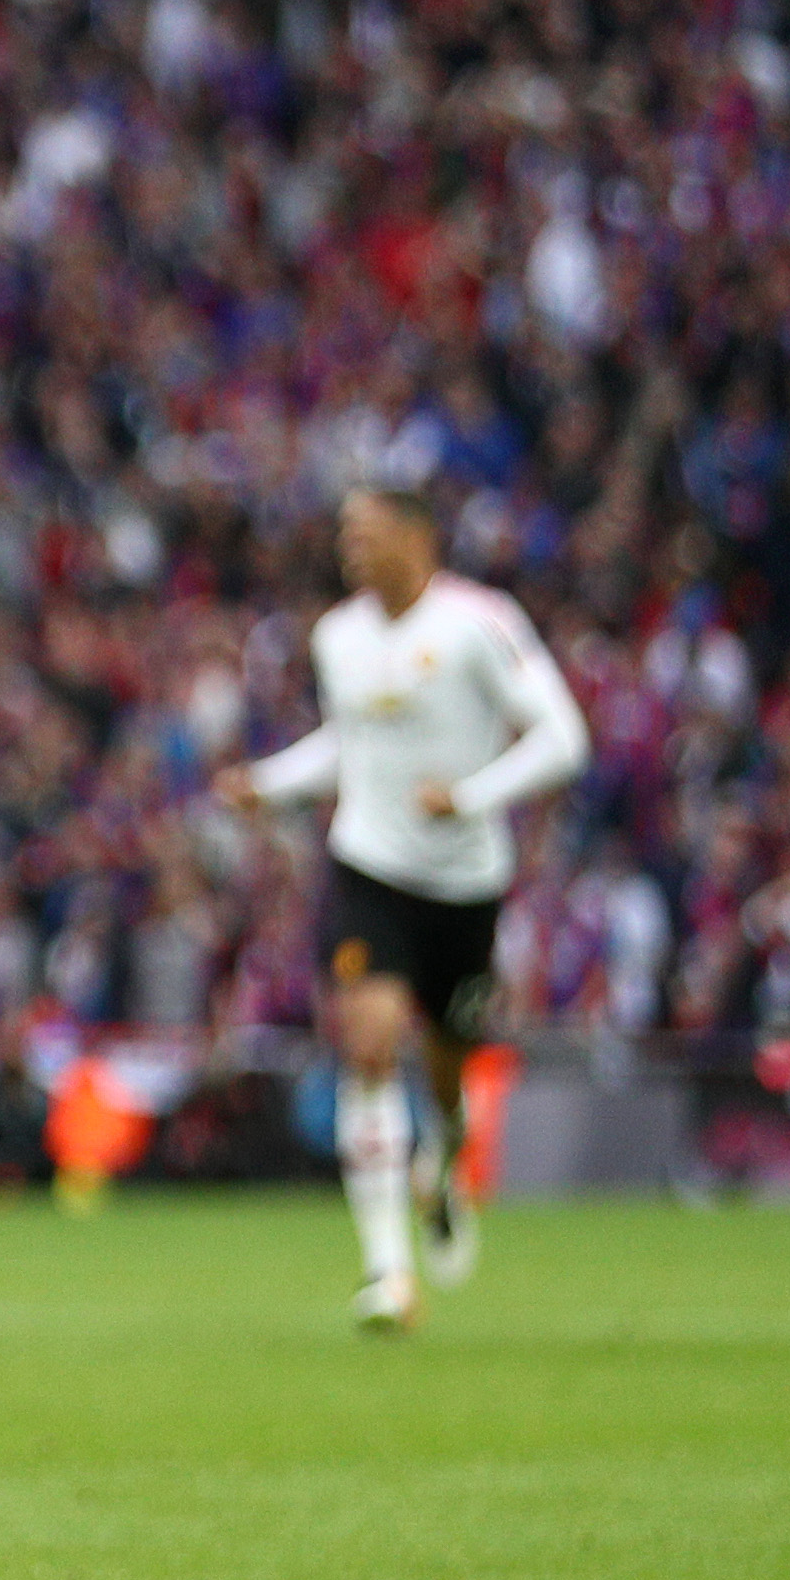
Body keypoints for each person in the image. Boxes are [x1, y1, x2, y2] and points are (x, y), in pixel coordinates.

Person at [217, 485, 588, 1330]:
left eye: (367, 530)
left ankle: (447, 1162)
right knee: (372, 1043)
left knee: (452, 1067)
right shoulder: (337, 636)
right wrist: (270, 784)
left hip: (464, 883)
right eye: (345, 531)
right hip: (370, 868)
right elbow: (351, 744)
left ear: (416, 537)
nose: (351, 546)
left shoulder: (479, 624)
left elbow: (564, 737)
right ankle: (388, 1274)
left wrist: (472, 796)